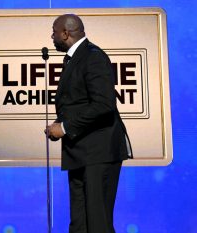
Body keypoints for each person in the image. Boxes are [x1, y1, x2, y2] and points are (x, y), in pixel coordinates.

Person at [46, 14, 132, 233]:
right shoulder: (75, 58)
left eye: (54, 32)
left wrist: (64, 128)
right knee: (80, 223)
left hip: (99, 152)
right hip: (80, 152)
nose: (51, 36)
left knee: (97, 222)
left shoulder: (93, 57)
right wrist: (59, 123)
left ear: (65, 33)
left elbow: (104, 104)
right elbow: (79, 102)